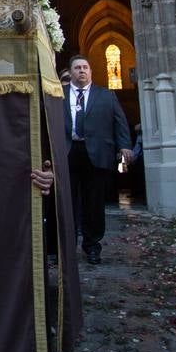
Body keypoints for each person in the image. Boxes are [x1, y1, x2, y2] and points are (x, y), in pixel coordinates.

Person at [62, 55, 131, 265]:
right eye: (77, 68)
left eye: (85, 67)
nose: (81, 71)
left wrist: (125, 145)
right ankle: (66, 247)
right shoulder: (59, 95)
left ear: (90, 71)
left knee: (94, 203)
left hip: (97, 153)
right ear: (71, 72)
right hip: (68, 151)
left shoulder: (106, 95)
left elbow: (119, 121)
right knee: (68, 202)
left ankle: (92, 246)